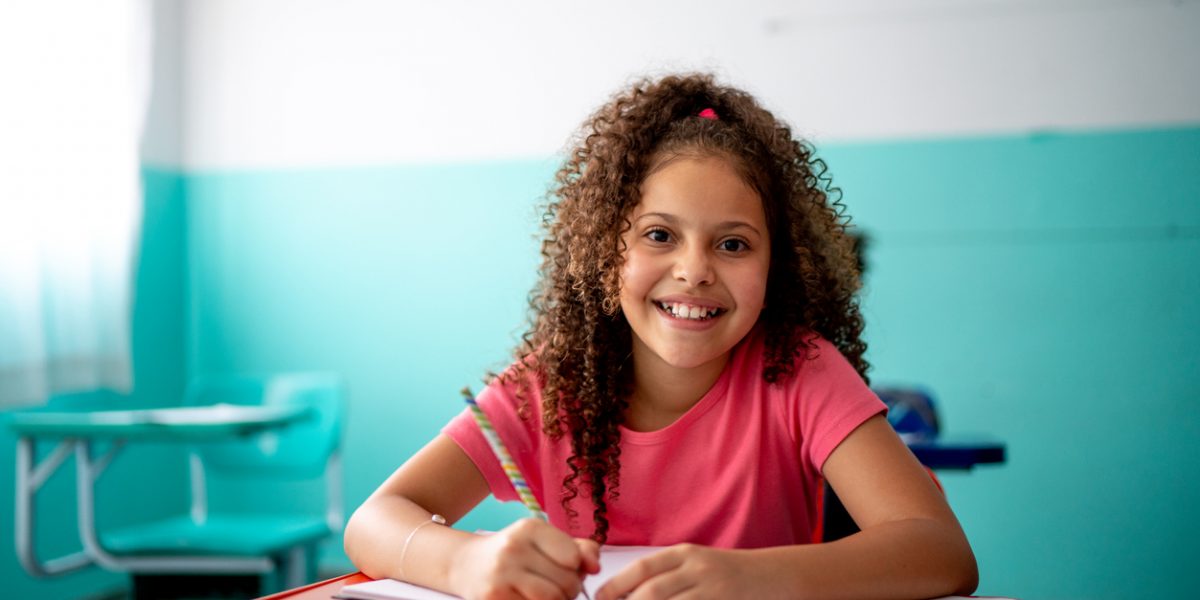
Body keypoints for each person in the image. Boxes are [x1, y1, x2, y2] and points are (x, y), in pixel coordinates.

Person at [344, 73, 978, 600]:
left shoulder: (800, 371)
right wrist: (465, 564)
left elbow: (942, 550)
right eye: (658, 235)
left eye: (733, 244)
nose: (694, 270)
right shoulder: (548, 385)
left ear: (776, 266)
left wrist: (754, 577)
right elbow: (374, 521)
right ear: (603, 252)